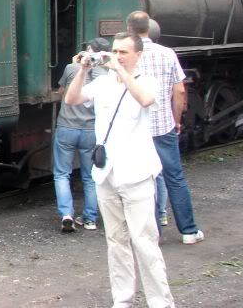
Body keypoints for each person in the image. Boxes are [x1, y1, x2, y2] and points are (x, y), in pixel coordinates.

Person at [65, 32, 175, 308]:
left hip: (137, 172)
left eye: (123, 52)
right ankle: (123, 299)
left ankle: (160, 302)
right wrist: (83, 70)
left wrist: (121, 71)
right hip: (106, 172)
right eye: (114, 51)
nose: (116, 56)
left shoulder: (147, 80)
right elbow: (72, 100)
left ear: (138, 55)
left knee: (144, 241)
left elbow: (146, 100)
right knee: (116, 241)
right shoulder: (101, 83)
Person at [126, 11, 204, 245]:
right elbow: (179, 91)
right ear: (148, 29)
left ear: (129, 29)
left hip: (135, 129)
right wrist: (176, 119)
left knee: (141, 181)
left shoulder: (126, 56)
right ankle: (189, 231)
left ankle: (151, 234)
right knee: (174, 178)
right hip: (162, 128)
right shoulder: (167, 54)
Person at [53, 37, 109, 232]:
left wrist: (74, 63)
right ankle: (90, 219)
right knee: (90, 176)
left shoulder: (71, 68)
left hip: (67, 127)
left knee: (61, 173)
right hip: (91, 130)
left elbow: (61, 92)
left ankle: (66, 214)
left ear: (88, 50)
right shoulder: (108, 74)